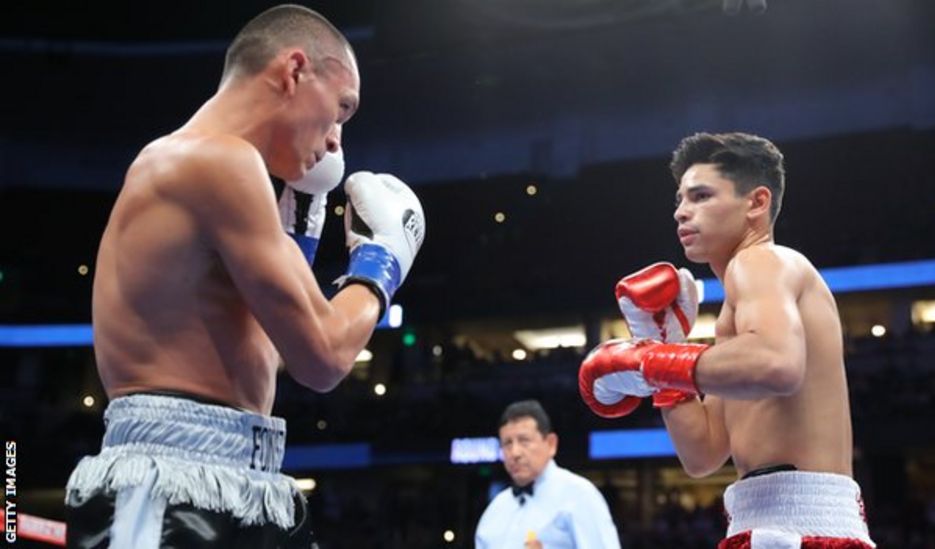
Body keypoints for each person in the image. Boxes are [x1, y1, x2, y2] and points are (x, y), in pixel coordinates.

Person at [64, 4, 425, 548]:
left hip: (244, 477)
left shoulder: (226, 171)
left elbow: (274, 354)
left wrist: (299, 236)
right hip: (167, 485)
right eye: (340, 110)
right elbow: (323, 357)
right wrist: (382, 263)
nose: (335, 142)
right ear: (293, 70)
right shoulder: (215, 161)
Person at [578, 132, 875, 548]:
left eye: (700, 196)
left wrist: (652, 361)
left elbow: (776, 362)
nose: (682, 212)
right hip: (766, 521)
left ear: (756, 202)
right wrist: (662, 354)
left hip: (801, 526)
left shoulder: (762, 261)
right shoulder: (738, 319)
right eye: (679, 200)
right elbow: (703, 453)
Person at [475, 400, 621, 549]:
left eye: (524, 441)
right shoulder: (495, 510)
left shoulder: (580, 495)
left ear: (551, 444)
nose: (515, 453)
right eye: (507, 443)